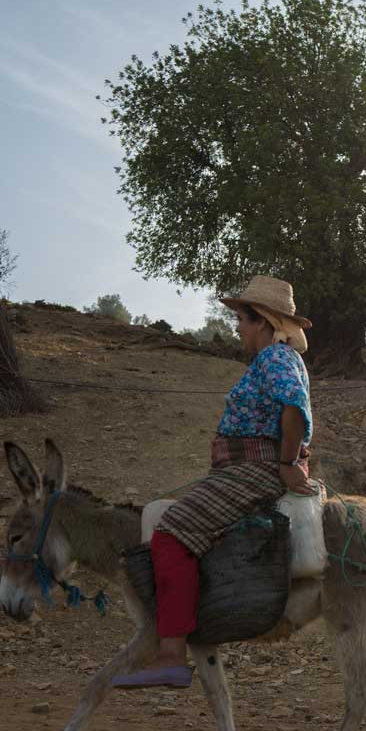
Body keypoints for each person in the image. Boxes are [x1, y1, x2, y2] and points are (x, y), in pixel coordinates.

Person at [113, 276, 317, 689]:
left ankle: (171, 655)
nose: (237, 327)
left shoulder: (274, 359)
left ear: (261, 321)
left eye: (241, 319)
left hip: (253, 469)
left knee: (171, 532)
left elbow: (293, 408)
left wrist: (286, 461)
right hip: (246, 468)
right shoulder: (276, 359)